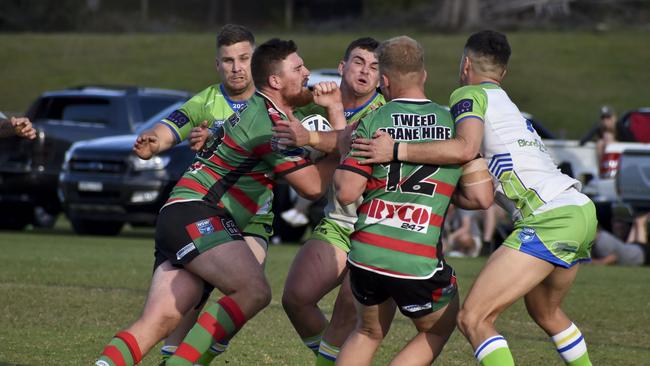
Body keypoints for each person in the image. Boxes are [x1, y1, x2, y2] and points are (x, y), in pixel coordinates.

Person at [350, 30, 597, 366]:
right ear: (503, 74)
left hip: (548, 218)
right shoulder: (508, 105)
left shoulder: (468, 94)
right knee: (546, 312)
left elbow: (465, 147)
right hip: (578, 210)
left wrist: (394, 149)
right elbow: (478, 192)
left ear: (465, 64)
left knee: (473, 318)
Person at [93, 38, 340, 366]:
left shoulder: (263, 110)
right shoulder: (268, 123)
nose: (307, 72)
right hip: (199, 213)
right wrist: (343, 147)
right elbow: (311, 187)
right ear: (276, 80)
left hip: (180, 214)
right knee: (254, 291)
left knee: (160, 321)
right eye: (298, 68)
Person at [333, 35, 494, 366]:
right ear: (424, 75)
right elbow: (481, 197)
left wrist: (345, 153)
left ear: (385, 81)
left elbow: (347, 192)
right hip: (417, 260)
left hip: (367, 253)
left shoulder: (374, 120)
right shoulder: (454, 125)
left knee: (367, 332)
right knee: (436, 330)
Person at [132, 24, 273, 365]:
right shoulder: (206, 102)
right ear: (217, 64)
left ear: (255, 60)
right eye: (228, 60)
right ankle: (175, 357)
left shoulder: (273, 102)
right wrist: (153, 140)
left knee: (245, 296)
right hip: (203, 213)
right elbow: (171, 126)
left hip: (252, 220)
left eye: (244, 58)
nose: (237, 67)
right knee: (186, 304)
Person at [276, 37, 385, 365]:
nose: (365, 71)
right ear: (342, 67)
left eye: (375, 67)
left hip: (374, 226)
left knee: (344, 318)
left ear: (382, 78)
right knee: (296, 298)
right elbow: (286, 152)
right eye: (358, 62)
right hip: (338, 222)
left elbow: (347, 148)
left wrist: (330, 114)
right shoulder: (315, 106)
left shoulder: (383, 110)